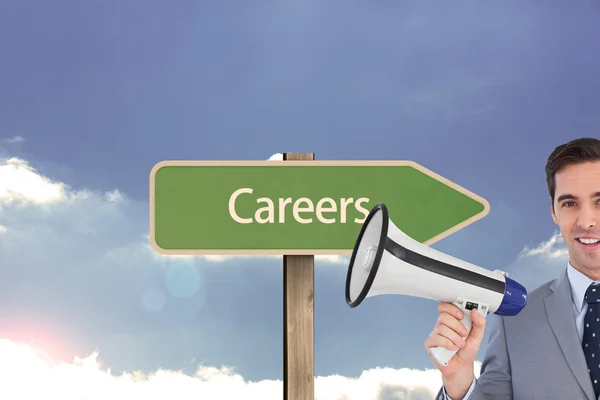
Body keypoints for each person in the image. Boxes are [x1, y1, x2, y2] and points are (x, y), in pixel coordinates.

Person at [424, 137, 600, 400]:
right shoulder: (515, 319)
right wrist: (459, 383)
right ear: (554, 213)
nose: (587, 222)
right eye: (570, 204)